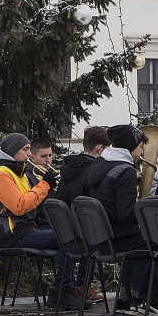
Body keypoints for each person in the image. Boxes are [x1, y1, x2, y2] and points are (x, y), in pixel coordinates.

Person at [0, 133, 82, 310]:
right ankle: (62, 292)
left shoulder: (16, 172)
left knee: (69, 234)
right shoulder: (1, 174)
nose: (29, 154)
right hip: (13, 235)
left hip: (25, 229)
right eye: (25, 149)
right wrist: (44, 185)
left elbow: (32, 207)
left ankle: (63, 290)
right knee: (68, 237)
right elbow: (20, 206)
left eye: (29, 149)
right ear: (13, 151)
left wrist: (49, 190)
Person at [86, 124, 153, 311]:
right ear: (131, 146)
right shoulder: (125, 170)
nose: (142, 152)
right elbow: (126, 214)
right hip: (118, 239)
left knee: (142, 240)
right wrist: (145, 208)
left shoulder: (100, 164)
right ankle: (145, 297)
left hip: (102, 239)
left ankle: (127, 295)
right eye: (141, 147)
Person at [56, 126, 113, 303]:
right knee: (98, 236)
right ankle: (84, 287)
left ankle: (79, 287)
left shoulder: (68, 170)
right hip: (81, 236)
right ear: (99, 148)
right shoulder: (93, 172)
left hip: (65, 232)